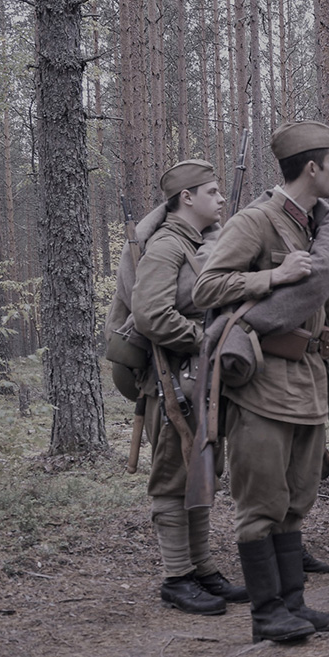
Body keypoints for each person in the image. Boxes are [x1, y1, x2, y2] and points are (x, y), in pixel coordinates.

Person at [193, 120, 329, 643]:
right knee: (261, 504)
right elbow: (205, 289)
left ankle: (293, 605)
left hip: (311, 381)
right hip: (262, 384)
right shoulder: (256, 221)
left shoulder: (319, 227)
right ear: (312, 167)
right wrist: (273, 276)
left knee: (295, 502)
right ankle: (267, 613)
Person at [131, 159, 246, 615]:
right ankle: (176, 576)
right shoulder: (166, 246)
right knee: (173, 474)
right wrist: (205, 340)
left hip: (201, 375)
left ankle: (201, 568)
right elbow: (151, 314)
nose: (220, 200)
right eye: (212, 192)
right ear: (187, 198)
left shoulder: (197, 243)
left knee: (201, 471)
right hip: (173, 378)